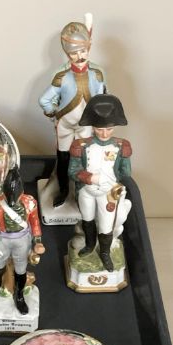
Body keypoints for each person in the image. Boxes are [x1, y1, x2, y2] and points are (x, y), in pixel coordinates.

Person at [39, 14, 106, 207]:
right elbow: (44, 100)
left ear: (88, 48)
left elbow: (102, 99)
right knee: (63, 159)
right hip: (65, 125)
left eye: (83, 51)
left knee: (84, 160)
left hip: (85, 125)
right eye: (74, 53)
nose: (80, 56)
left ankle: (80, 192)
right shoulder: (62, 76)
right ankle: (63, 191)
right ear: (67, 54)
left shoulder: (97, 74)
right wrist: (53, 113)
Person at [68, 94, 132, 272]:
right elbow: (72, 171)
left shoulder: (121, 146)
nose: (104, 133)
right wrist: (90, 178)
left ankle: (104, 253)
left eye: (109, 129)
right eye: (99, 129)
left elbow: (126, 173)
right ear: (92, 127)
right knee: (87, 219)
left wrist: (116, 185)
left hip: (108, 192)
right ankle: (89, 244)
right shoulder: (80, 145)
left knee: (106, 225)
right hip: (87, 190)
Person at [0, 166, 45, 314]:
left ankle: (19, 294)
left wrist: (38, 241)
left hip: (22, 239)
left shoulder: (29, 202)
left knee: (21, 268)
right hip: (2, 238)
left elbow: (35, 222)